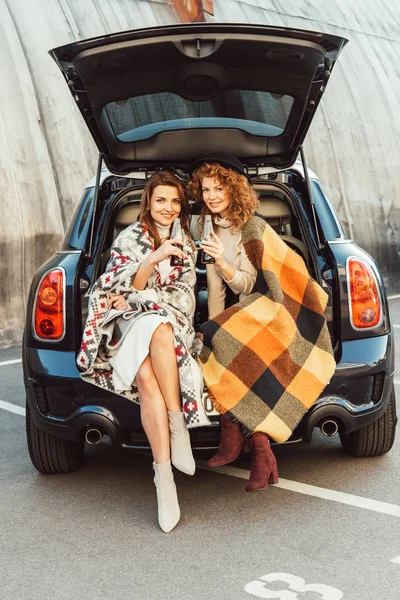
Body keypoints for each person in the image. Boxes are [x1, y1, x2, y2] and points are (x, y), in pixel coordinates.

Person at [188, 153, 336, 492]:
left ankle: (251, 447)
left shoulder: (253, 228)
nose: (210, 196)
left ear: (234, 188)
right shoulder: (204, 225)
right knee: (214, 340)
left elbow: (247, 282)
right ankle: (250, 445)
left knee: (240, 346)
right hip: (244, 310)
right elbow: (215, 289)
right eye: (206, 189)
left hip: (275, 304)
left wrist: (223, 263)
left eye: (218, 188)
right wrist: (216, 329)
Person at [77, 171, 209, 533]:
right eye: (161, 200)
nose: (168, 208)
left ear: (182, 207)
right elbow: (115, 286)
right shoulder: (128, 239)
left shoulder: (188, 245)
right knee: (153, 325)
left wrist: (141, 295)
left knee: (158, 338)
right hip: (127, 325)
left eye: (175, 202)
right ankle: (169, 458)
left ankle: (165, 469)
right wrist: (153, 260)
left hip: (167, 324)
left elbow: (182, 298)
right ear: (148, 202)